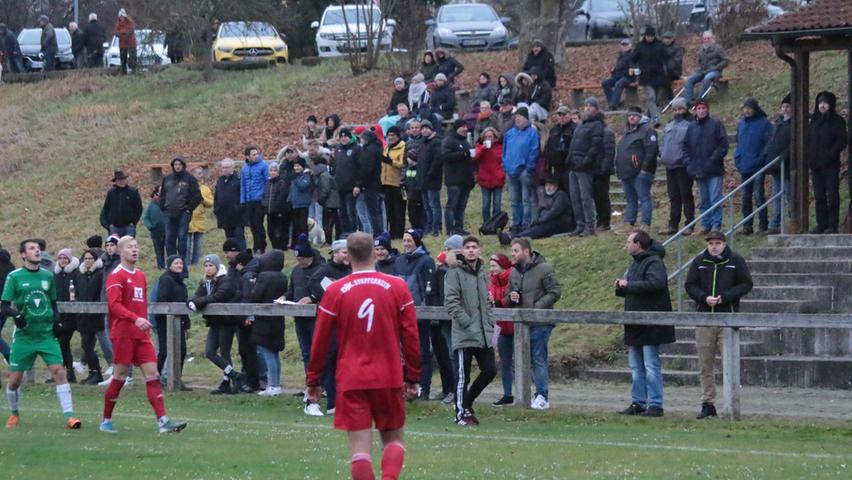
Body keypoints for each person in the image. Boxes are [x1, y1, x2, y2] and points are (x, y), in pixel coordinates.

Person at [305, 232, 419, 480]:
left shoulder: (335, 291)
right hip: (388, 375)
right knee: (393, 440)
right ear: (373, 252)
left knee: (360, 451)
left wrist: (313, 380)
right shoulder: (397, 286)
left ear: (348, 256)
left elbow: (320, 340)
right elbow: (411, 335)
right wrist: (413, 375)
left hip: (352, 377)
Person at [100, 236, 186, 434]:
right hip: (123, 334)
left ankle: (163, 421)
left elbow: (142, 305)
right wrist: (134, 319)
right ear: (121, 252)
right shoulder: (116, 275)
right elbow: (114, 305)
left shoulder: (140, 275)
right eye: (130, 247)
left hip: (141, 334)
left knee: (153, 374)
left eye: (136, 247)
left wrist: (145, 322)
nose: (134, 250)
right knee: (120, 376)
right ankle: (106, 420)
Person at [3, 240, 81, 429]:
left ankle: (70, 417)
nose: (36, 250)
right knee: (14, 381)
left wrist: (56, 321)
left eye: (38, 248)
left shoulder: (48, 276)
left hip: (46, 336)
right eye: (31, 248)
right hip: (24, 337)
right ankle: (14, 414)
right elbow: (4, 306)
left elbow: (52, 302)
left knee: (59, 372)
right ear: (23, 254)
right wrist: (17, 315)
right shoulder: (14, 277)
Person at [684, 231, 752, 419]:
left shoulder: (735, 260)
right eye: (711, 243)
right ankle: (708, 403)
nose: (714, 246)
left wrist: (726, 297)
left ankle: (732, 402)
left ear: (724, 244)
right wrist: (703, 298)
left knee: (729, 363)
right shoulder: (699, 262)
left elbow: (746, 283)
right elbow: (690, 285)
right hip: (704, 318)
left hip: (727, 319)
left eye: (718, 243)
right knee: (705, 364)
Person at [615, 230, 675, 417]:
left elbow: (655, 284)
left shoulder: (654, 263)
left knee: (650, 365)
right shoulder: (636, 264)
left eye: (629, 241)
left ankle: (655, 404)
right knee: (636, 366)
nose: (626, 245)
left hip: (650, 323)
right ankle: (638, 402)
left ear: (638, 243)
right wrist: (621, 287)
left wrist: (628, 286)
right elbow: (636, 288)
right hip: (635, 322)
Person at [444, 235, 495, 425]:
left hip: (483, 333)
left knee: (489, 370)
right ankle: (460, 414)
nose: (471, 250)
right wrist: (466, 322)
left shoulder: (482, 272)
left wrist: (488, 321)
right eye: (468, 247)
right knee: (462, 377)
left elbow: (487, 301)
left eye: (474, 247)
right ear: (462, 251)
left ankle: (467, 403)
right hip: (465, 333)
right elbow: (451, 302)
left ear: (479, 250)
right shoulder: (454, 273)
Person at [507, 238, 561, 409]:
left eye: (516, 250)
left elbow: (554, 292)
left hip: (540, 322)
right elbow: (509, 294)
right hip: (521, 323)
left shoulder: (545, 268)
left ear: (526, 251)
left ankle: (541, 396)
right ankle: (523, 395)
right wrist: (512, 297)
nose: (513, 254)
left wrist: (537, 307)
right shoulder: (514, 272)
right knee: (521, 359)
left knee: (538, 358)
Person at [305, 239, 351, 416]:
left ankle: (338, 402)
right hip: (330, 325)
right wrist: (333, 296)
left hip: (347, 325)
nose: (347, 256)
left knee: (342, 364)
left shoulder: (350, 271)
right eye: (344, 252)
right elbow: (314, 285)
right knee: (328, 362)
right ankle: (320, 401)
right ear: (335, 253)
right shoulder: (325, 271)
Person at [187, 254, 240, 395]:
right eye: (206, 265)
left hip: (227, 321)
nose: (208, 268)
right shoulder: (206, 281)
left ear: (217, 266)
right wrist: (191, 301)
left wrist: (196, 303)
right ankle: (233, 375)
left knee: (224, 352)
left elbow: (218, 296)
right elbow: (197, 295)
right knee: (210, 352)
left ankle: (228, 382)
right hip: (215, 322)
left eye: (211, 265)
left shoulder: (225, 280)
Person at [394, 229, 438, 398]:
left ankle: (423, 388)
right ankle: (406, 387)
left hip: (418, 314)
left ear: (417, 242)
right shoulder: (399, 261)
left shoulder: (426, 261)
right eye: (404, 240)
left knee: (421, 351)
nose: (406, 244)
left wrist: (421, 309)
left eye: (409, 240)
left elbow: (428, 289)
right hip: (400, 313)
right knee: (402, 353)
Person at [247, 250, 288, 397]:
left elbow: (256, 295)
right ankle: (275, 384)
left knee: (267, 351)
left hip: (264, 318)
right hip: (277, 318)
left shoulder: (264, 277)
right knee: (274, 352)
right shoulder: (282, 277)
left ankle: (273, 385)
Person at [684, 101, 729, 234]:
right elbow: (685, 146)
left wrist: (712, 160)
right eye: (699, 108)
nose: (701, 111)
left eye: (704, 108)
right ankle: (705, 223)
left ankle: (716, 224)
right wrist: (688, 162)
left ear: (707, 110)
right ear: (695, 110)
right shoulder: (692, 127)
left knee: (715, 198)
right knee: (704, 199)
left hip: (714, 169)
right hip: (698, 169)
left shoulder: (716, 124)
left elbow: (723, 145)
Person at [807, 91, 848, 234]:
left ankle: (832, 224)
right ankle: (821, 224)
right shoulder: (815, 121)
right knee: (819, 197)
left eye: (825, 103)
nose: (822, 106)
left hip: (830, 165)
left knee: (832, 195)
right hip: (816, 165)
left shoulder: (838, 121)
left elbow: (842, 141)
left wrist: (830, 154)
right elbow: (809, 141)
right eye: (820, 103)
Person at [567, 97, 606, 237]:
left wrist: (585, 162)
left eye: (591, 106)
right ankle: (580, 224)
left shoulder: (597, 125)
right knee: (575, 197)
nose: (587, 108)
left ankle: (590, 225)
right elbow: (573, 144)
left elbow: (595, 147)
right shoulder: (581, 125)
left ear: (596, 108)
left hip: (585, 167)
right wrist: (569, 159)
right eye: (586, 105)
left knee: (585, 197)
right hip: (574, 166)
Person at [615, 107, 658, 231]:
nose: (632, 117)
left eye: (634, 115)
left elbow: (651, 151)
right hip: (626, 172)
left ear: (640, 117)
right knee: (630, 199)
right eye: (629, 115)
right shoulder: (628, 132)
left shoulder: (647, 130)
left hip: (640, 172)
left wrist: (644, 169)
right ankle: (629, 222)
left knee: (644, 197)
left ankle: (645, 223)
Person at [287, 235, 325, 372]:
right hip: (299, 317)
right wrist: (284, 297)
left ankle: (322, 383)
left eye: (301, 259)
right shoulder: (296, 270)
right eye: (297, 259)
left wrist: (313, 298)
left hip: (316, 317)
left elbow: (329, 291)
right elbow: (291, 290)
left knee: (318, 351)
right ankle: (309, 384)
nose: (299, 262)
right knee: (305, 352)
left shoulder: (322, 269)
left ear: (309, 257)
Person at [734, 97, 773, 235]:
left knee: (759, 196)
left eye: (749, 108)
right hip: (744, 165)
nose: (747, 110)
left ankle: (763, 224)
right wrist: (737, 158)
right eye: (745, 108)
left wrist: (761, 159)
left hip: (758, 166)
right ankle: (747, 225)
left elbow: (769, 144)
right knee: (746, 197)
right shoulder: (741, 124)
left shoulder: (764, 124)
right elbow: (739, 143)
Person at [658, 98, 695, 235]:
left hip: (683, 165)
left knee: (686, 195)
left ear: (685, 109)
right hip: (670, 165)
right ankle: (673, 224)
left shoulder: (690, 124)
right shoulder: (669, 124)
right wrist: (662, 154)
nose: (677, 112)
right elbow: (662, 142)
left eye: (680, 109)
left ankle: (689, 224)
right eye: (675, 109)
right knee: (673, 196)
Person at [502, 107, 540, 232]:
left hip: (524, 171)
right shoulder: (509, 133)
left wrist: (529, 168)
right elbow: (505, 151)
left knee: (526, 199)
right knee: (514, 199)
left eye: (520, 116)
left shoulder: (532, 132)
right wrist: (505, 164)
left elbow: (534, 151)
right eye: (516, 116)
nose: (517, 119)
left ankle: (526, 222)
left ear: (526, 118)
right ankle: (516, 223)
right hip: (510, 171)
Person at [154, 255, 189, 388]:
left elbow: (183, 303)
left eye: (181, 263)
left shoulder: (180, 281)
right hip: (165, 320)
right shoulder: (166, 279)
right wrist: (168, 314)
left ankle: (176, 379)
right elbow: (162, 299)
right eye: (176, 263)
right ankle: (155, 378)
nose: (179, 265)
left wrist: (186, 321)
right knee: (164, 350)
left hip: (179, 320)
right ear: (169, 265)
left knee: (181, 350)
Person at [160, 156, 202, 267]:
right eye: (175, 165)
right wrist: (163, 207)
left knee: (182, 237)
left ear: (183, 165)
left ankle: (182, 262)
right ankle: (171, 262)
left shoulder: (190, 178)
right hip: (169, 212)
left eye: (179, 164)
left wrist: (189, 209)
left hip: (183, 213)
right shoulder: (167, 178)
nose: (177, 166)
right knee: (169, 237)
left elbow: (197, 196)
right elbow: (162, 194)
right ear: (173, 166)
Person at [762, 93, 792, 235]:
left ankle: (792, 221)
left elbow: (793, 144)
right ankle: (775, 223)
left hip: (788, 167)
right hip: (776, 167)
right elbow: (771, 142)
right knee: (776, 196)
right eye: (783, 106)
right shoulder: (778, 124)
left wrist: (784, 157)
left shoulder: (794, 125)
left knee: (789, 195)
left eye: (788, 106)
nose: (785, 109)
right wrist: (766, 156)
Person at [489, 254, 515, 407]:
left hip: (515, 327)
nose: (491, 269)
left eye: (494, 266)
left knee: (522, 361)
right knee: (505, 362)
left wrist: (499, 302)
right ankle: (507, 393)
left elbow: (512, 298)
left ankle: (527, 393)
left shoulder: (513, 278)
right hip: (501, 328)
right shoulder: (491, 281)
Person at [76, 249, 104, 384]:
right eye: (85, 258)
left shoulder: (99, 274)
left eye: (90, 258)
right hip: (82, 315)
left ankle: (97, 373)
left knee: (87, 345)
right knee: (86, 346)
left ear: (95, 260)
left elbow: (100, 293)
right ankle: (92, 373)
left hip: (94, 315)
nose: (87, 261)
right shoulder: (80, 274)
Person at [443, 119, 474, 236]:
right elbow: (445, 156)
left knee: (461, 206)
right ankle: (450, 228)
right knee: (452, 205)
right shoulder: (449, 140)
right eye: (463, 127)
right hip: (454, 179)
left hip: (466, 179)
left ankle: (459, 227)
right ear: (457, 128)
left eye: (466, 127)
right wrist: (462, 154)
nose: (465, 129)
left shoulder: (466, 142)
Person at [53, 249, 80, 383]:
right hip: (58, 314)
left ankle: (68, 372)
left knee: (63, 342)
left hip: (71, 315)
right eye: (60, 258)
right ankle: (64, 372)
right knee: (61, 344)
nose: (62, 260)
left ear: (69, 260)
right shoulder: (55, 275)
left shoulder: (75, 273)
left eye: (65, 258)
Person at [683, 31, 728, 104]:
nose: (706, 40)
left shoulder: (718, 48)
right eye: (705, 39)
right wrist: (699, 69)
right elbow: (700, 62)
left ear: (712, 38)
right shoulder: (701, 49)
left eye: (708, 38)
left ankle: (700, 100)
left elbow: (726, 61)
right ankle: (688, 101)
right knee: (690, 79)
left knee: (707, 78)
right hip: (703, 71)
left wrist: (716, 67)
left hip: (715, 72)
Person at [473, 127, 506, 224]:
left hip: (498, 179)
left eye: (490, 136)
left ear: (495, 138)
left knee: (497, 204)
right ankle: (486, 224)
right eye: (486, 137)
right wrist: (483, 148)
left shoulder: (501, 147)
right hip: (485, 179)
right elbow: (475, 158)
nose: (488, 138)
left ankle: (495, 224)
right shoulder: (479, 146)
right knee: (486, 204)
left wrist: (503, 174)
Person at [416, 121, 444, 236]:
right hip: (422, 180)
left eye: (427, 128)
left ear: (431, 129)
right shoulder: (422, 143)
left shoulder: (436, 142)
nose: (425, 130)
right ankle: (429, 227)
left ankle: (436, 229)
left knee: (434, 205)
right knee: (427, 206)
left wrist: (429, 176)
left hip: (432, 180)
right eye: (423, 129)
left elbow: (437, 161)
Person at [355, 130, 384, 235]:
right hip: (376, 183)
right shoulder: (376, 148)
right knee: (377, 211)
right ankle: (379, 232)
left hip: (370, 185)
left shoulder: (369, 151)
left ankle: (377, 233)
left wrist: (359, 184)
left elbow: (367, 169)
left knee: (372, 212)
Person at [241, 146, 269, 255]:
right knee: (252, 224)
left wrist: (265, 198)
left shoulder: (263, 166)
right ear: (247, 156)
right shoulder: (244, 168)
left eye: (257, 154)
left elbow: (267, 182)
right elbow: (243, 184)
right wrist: (243, 201)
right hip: (249, 200)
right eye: (253, 154)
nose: (256, 156)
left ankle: (261, 245)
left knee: (258, 222)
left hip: (259, 200)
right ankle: (256, 245)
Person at [214, 158, 246, 252]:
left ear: (233, 167)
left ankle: (242, 255)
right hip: (224, 216)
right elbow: (216, 196)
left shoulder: (238, 180)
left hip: (237, 216)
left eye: (227, 167)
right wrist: (216, 209)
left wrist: (239, 209)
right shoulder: (220, 180)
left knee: (239, 237)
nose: (225, 169)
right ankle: (232, 256)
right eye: (223, 167)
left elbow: (243, 196)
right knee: (229, 239)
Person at [100, 170, 143, 240]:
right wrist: (109, 225)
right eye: (119, 180)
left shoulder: (133, 191)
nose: (121, 181)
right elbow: (106, 209)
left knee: (129, 247)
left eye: (123, 179)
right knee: (115, 247)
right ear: (116, 181)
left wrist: (133, 222)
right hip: (114, 227)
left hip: (129, 227)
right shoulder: (111, 193)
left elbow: (138, 208)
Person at [382, 127, 407, 239]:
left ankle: (399, 232)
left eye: (393, 135)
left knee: (399, 209)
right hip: (386, 182)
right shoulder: (387, 147)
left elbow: (402, 164)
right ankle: (392, 232)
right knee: (389, 209)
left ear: (398, 136)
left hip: (398, 183)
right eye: (389, 135)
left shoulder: (402, 147)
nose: (391, 138)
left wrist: (391, 162)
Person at [335, 130, 360, 237]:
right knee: (342, 213)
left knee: (352, 212)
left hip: (351, 187)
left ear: (350, 137)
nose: (344, 139)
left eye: (346, 137)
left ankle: (354, 232)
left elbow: (360, 168)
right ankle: (345, 234)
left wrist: (358, 184)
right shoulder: (338, 149)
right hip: (340, 187)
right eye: (342, 137)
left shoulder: (356, 149)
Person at [188, 167, 214, 265]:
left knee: (197, 246)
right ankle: (186, 264)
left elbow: (211, 203)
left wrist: (203, 199)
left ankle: (195, 264)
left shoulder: (205, 189)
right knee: (187, 246)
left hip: (200, 220)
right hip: (188, 220)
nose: (201, 175)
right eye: (199, 173)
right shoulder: (187, 187)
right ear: (193, 175)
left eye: (202, 173)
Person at [264, 161, 292, 251]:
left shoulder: (281, 182)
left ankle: (282, 246)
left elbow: (281, 196)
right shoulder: (268, 183)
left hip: (280, 210)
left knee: (281, 229)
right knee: (270, 230)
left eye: (275, 170)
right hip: (270, 210)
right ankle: (275, 246)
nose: (273, 172)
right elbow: (266, 195)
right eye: (271, 170)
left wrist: (277, 208)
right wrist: (264, 204)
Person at [402, 120, 425, 230]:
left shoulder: (423, 142)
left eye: (417, 127)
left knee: (420, 205)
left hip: (420, 178)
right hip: (409, 179)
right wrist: (403, 179)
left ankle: (422, 226)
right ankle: (414, 226)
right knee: (411, 205)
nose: (415, 129)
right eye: (412, 128)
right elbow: (404, 163)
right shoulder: (408, 143)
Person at [601, 39, 635, 111]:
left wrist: (629, 75)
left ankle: (613, 105)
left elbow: (633, 69)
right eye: (623, 45)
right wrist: (613, 71)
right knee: (605, 83)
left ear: (630, 45)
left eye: (626, 45)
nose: (624, 46)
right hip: (617, 76)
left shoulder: (632, 55)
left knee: (618, 84)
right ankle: (612, 102)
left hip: (628, 77)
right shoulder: (621, 55)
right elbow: (617, 67)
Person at [289, 158, 315, 247]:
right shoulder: (294, 177)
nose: (296, 168)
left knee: (302, 225)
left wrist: (295, 180)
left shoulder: (306, 176)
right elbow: (292, 191)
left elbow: (302, 186)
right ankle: (294, 243)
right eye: (295, 166)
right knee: (295, 226)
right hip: (294, 204)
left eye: (298, 166)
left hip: (303, 204)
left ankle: (304, 243)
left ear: (303, 167)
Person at [143, 186, 166, 269]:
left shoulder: (167, 202)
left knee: (168, 250)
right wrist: (150, 226)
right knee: (159, 251)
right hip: (155, 233)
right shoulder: (151, 205)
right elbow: (146, 218)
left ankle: (169, 266)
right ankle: (160, 267)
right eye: (157, 194)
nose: (158, 196)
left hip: (167, 231)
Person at [661, 32, 684, 103]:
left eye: (669, 38)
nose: (667, 40)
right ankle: (657, 101)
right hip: (662, 71)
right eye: (665, 38)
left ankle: (670, 99)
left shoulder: (678, 48)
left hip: (675, 72)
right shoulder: (660, 48)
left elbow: (676, 62)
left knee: (664, 77)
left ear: (672, 39)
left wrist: (664, 67)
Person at [113, 9, 137, 74]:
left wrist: (124, 33)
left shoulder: (130, 22)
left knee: (133, 57)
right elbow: (115, 32)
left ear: (125, 16)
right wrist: (122, 33)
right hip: (122, 44)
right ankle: (123, 72)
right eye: (120, 17)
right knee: (123, 59)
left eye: (122, 17)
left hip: (131, 43)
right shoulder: (118, 23)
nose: (121, 18)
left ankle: (133, 70)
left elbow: (132, 28)